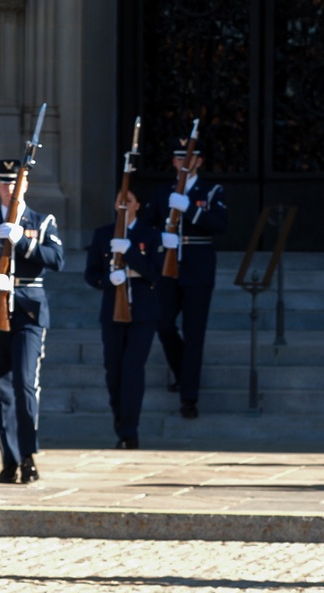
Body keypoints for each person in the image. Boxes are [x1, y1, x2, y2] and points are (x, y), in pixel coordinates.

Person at [139, 134, 228, 419]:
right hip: (168, 265)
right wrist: (161, 238)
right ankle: (182, 372)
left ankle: (189, 397)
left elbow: (220, 224)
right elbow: (146, 227)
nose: (183, 163)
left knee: (194, 333)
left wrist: (189, 209)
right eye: (179, 158)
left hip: (197, 266)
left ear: (198, 161)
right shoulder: (162, 193)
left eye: (188, 158)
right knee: (163, 325)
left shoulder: (211, 191)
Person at [0, 158, 65, 483]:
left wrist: (23, 240)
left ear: (25, 186)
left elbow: (57, 260)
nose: (9, 189)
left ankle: (28, 456)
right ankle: (9, 459)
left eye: (14, 183)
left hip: (29, 311)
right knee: (0, 390)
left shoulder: (41, 221)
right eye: (3, 183)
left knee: (24, 384)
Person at [84, 189, 163, 449]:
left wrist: (130, 253)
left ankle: (130, 431)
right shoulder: (103, 234)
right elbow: (91, 274)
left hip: (142, 314)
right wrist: (109, 281)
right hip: (112, 313)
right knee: (113, 372)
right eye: (119, 201)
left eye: (128, 201)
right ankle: (121, 423)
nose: (123, 206)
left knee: (132, 371)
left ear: (137, 205)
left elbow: (156, 273)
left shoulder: (150, 235)